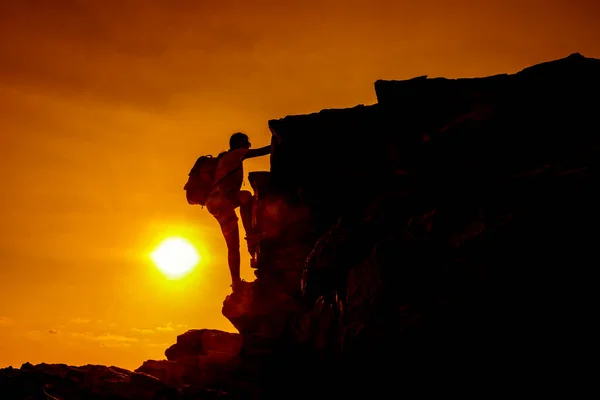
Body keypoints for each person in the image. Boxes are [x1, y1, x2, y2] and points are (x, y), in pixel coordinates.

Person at [205, 132, 271, 292]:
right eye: (246, 143)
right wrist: (280, 140)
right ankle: (251, 235)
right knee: (246, 196)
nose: (248, 145)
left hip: (216, 204)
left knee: (233, 247)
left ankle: (236, 282)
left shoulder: (225, 158)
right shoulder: (236, 154)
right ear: (241, 144)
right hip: (222, 202)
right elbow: (261, 151)